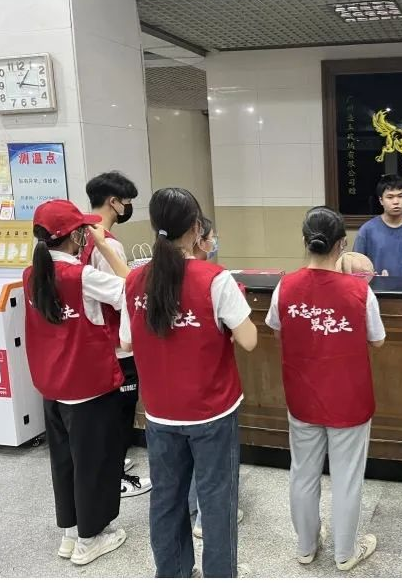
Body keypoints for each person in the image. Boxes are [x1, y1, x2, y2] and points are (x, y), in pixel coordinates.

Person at [119, 188, 258, 578]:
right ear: (197, 228)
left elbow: (127, 341)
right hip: (212, 411)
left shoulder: (135, 280)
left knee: (166, 499)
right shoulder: (214, 279)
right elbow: (249, 339)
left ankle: (173, 572)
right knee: (216, 500)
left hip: (160, 412)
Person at [265, 206, 386, 572]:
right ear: (342, 244)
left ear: (305, 241)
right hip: (349, 398)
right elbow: (377, 340)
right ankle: (345, 553)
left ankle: (306, 547)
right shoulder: (359, 291)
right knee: (347, 478)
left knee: (303, 472)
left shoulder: (285, 286)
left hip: (302, 394)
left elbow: (277, 329)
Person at [24, 199, 131, 565]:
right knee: (95, 462)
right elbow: (130, 290)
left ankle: (70, 533)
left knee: (65, 462)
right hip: (87, 384)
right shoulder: (80, 276)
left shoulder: (31, 274)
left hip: (52, 386)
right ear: (75, 236)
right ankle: (90, 539)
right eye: (83, 230)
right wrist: (105, 247)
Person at [81, 171, 151, 499]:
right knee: (120, 412)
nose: (128, 207)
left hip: (93, 339)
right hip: (117, 345)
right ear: (114, 202)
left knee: (106, 413)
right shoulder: (107, 244)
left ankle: (111, 466)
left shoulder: (80, 236)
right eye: (127, 202)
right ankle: (115, 478)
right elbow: (124, 293)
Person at [185, 216, 244, 539]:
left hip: (166, 397)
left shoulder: (148, 276)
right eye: (212, 237)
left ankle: (192, 511)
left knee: (184, 459)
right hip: (209, 391)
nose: (215, 242)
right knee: (212, 459)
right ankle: (206, 520)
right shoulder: (214, 279)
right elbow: (248, 338)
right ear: (198, 238)